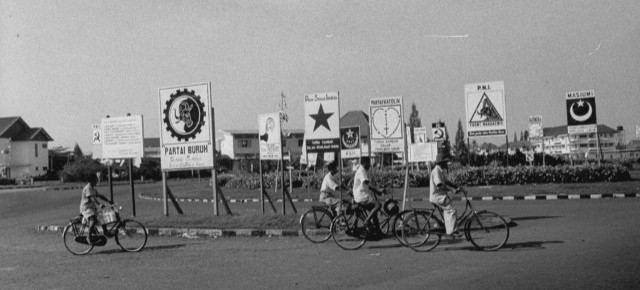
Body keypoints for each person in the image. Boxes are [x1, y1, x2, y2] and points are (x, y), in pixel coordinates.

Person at [430, 153, 462, 237]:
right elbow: (440, 184)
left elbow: (446, 182)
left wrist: (456, 186)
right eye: (445, 162)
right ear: (441, 162)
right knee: (451, 209)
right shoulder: (436, 171)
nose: (447, 164)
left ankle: (443, 224)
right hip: (437, 197)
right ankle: (452, 231)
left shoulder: (439, 170)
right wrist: (452, 190)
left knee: (448, 205)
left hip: (439, 196)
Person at [352, 158, 385, 239]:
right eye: (369, 163)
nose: (370, 165)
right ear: (365, 163)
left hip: (362, 195)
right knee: (378, 205)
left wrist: (377, 191)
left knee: (374, 213)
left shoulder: (362, 170)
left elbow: (367, 185)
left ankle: (378, 232)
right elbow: (367, 183)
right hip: (361, 196)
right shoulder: (361, 171)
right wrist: (378, 190)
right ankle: (366, 222)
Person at [79, 173, 111, 244]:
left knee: (102, 217)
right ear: (92, 180)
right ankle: (88, 237)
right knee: (93, 220)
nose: (97, 181)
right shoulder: (88, 188)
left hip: (92, 208)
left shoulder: (93, 188)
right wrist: (99, 204)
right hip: (86, 208)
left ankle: (106, 232)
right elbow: (91, 198)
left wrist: (108, 201)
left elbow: (100, 196)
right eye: (96, 179)